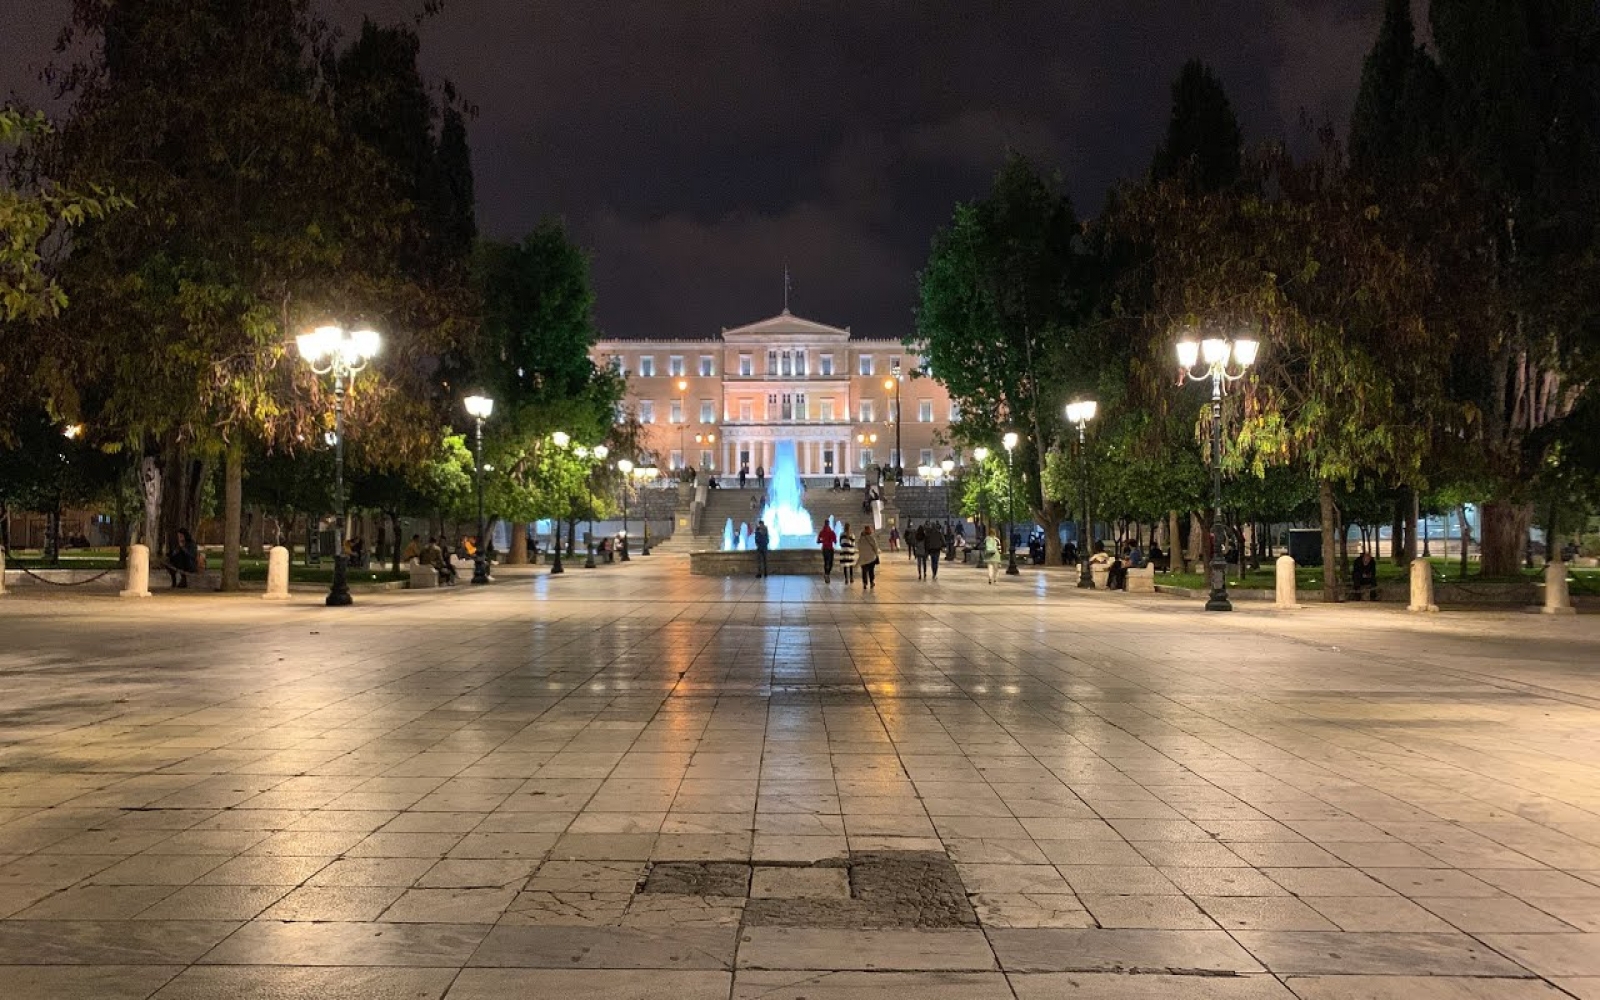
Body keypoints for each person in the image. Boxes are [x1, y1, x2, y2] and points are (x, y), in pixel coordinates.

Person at [858, 524, 880, 591]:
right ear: (869, 530)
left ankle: (865, 583)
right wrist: (877, 554)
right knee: (871, 570)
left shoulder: (860, 539)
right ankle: (871, 582)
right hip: (871, 557)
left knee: (864, 571)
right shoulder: (871, 538)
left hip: (863, 557)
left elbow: (859, 547)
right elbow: (875, 548)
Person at [816, 519, 837, 583]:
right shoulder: (831, 532)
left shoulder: (822, 532)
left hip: (825, 549)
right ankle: (827, 574)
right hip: (829, 549)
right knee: (830, 563)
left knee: (827, 562)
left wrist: (823, 541)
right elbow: (835, 541)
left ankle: (826, 574)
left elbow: (818, 541)